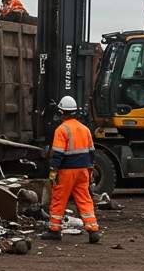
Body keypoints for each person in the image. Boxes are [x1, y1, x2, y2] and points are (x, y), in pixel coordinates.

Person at [42, 96, 101, 244]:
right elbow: (92, 152)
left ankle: (54, 230)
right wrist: (90, 169)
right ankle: (93, 229)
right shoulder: (85, 129)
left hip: (67, 171)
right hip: (83, 170)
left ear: (61, 112)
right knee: (85, 199)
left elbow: (58, 154)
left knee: (59, 199)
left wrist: (53, 171)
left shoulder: (61, 130)